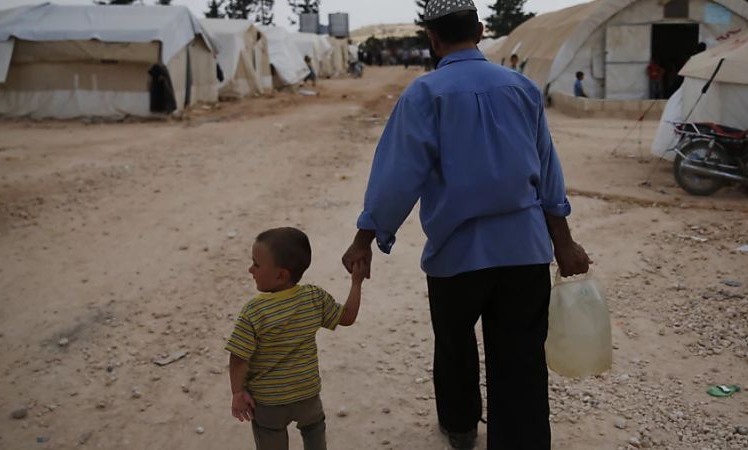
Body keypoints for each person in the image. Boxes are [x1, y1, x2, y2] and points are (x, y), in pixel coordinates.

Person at [341, 1, 591, 449]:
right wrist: (565, 243)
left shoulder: (424, 95)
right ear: (479, 31)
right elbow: (548, 173)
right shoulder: (522, 88)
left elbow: (398, 177)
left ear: (432, 40)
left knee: (455, 346)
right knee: (520, 357)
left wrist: (366, 236)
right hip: (524, 253)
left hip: (455, 258)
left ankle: (460, 428)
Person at [227, 227, 367, 450]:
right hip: (308, 396)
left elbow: (238, 358)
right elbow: (347, 317)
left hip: (269, 403)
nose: (250, 269)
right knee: (314, 434)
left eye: (256, 264)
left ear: (281, 274)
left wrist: (237, 392)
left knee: (270, 439)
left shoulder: (254, 311)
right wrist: (356, 282)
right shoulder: (313, 297)